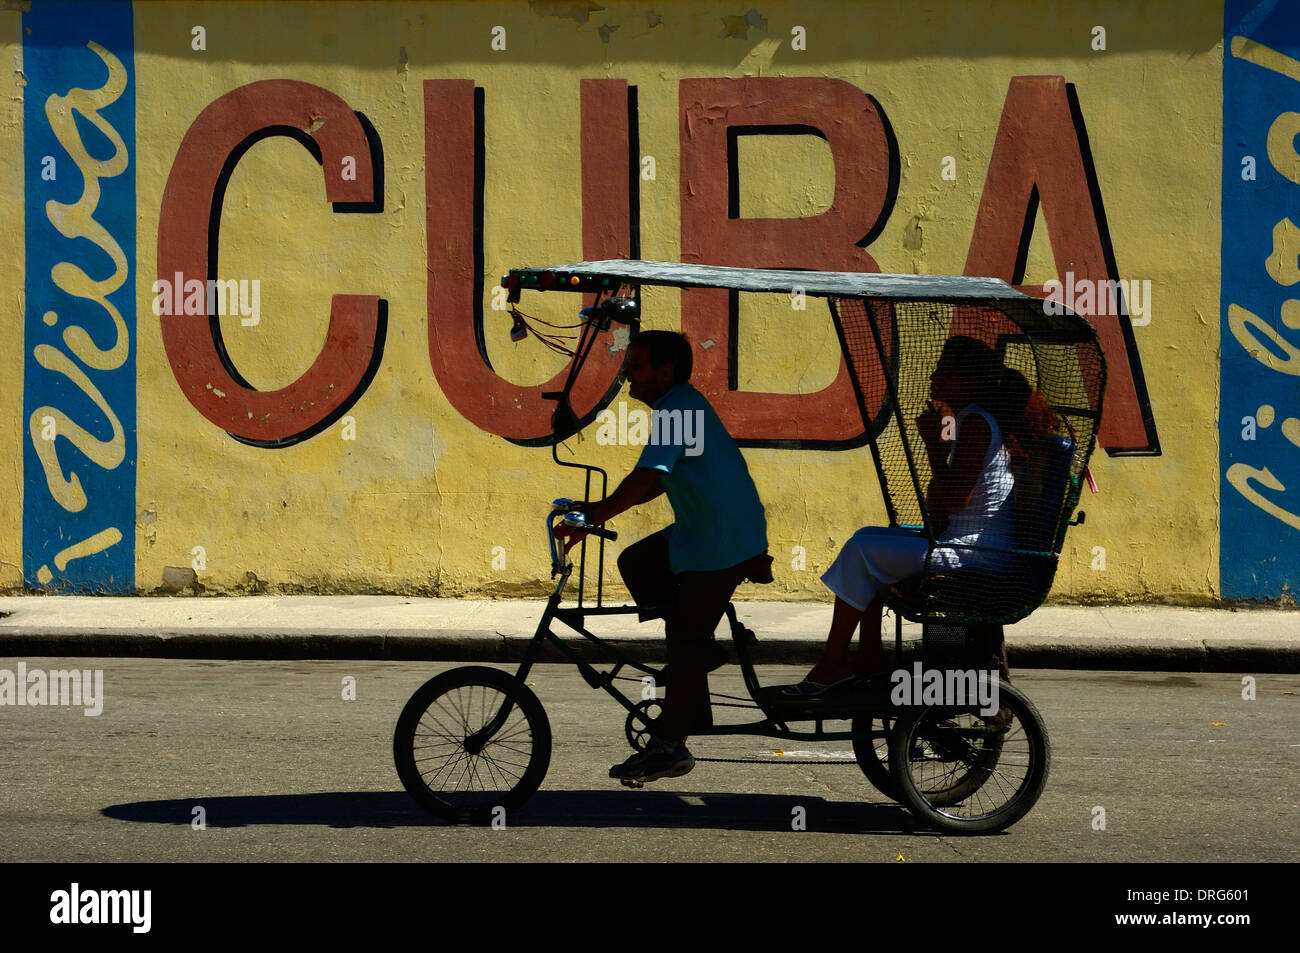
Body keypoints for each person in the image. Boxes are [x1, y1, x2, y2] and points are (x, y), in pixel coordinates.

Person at [553, 330, 770, 782]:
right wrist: (595, 514)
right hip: (703, 532)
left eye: (636, 365)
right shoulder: (679, 405)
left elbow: (644, 478)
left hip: (722, 542)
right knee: (638, 564)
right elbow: (653, 484)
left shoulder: (679, 409)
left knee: (686, 640)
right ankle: (696, 660)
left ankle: (671, 745)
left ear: (664, 372)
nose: (628, 373)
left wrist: (593, 515)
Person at [787, 336, 1053, 695]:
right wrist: (941, 441)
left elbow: (955, 500)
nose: (933, 378)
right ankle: (866, 656)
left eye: (943, 371)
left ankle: (834, 663)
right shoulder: (971, 420)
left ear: (968, 381)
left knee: (860, 549)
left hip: (975, 554)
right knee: (867, 537)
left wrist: (931, 445)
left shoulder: (975, 421)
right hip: (968, 546)